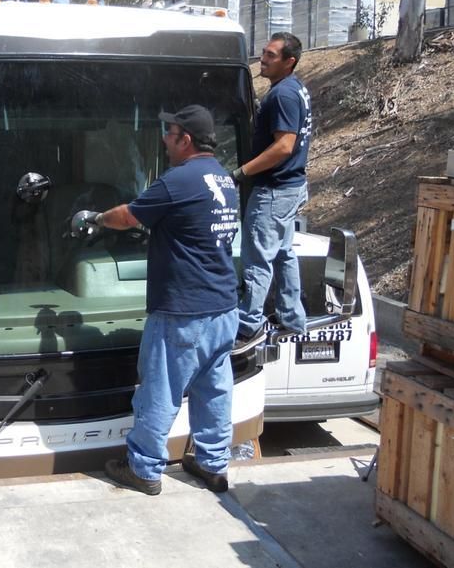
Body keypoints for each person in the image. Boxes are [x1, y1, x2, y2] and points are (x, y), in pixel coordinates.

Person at [70, 104, 240, 495]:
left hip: (184, 309)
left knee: (159, 390)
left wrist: (94, 219)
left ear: (186, 140)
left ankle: (144, 469)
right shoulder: (223, 178)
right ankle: (213, 465)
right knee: (214, 389)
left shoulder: (179, 180)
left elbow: (128, 217)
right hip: (223, 306)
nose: (164, 140)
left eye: (170, 133)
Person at [231, 32, 313, 346]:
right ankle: (292, 317)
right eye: (263, 53)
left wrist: (241, 172)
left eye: (271, 55)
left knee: (257, 259)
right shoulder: (295, 89)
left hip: (274, 191)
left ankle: (248, 324)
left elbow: (284, 147)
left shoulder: (283, 96)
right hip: (291, 187)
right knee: (283, 254)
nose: (262, 59)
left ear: (289, 62)